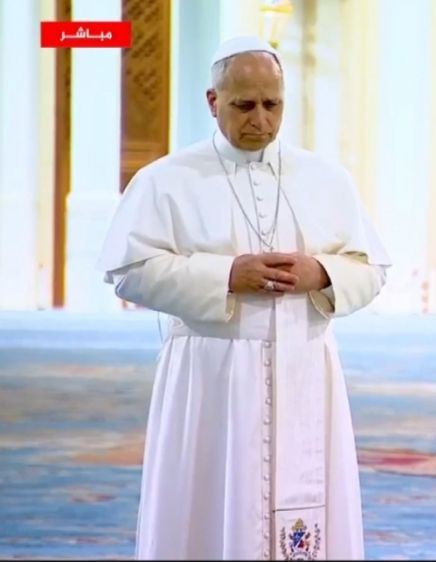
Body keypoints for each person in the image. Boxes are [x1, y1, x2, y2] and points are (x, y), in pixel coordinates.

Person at [96, 36, 391, 560]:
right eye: (244, 105)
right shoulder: (166, 179)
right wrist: (227, 275)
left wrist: (321, 273)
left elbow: (371, 270)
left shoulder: (326, 179)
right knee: (212, 508)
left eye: (272, 105)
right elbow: (128, 272)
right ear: (214, 102)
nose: (261, 120)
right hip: (211, 374)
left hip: (305, 365)